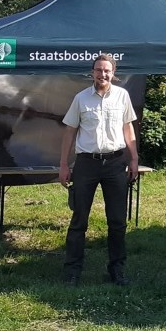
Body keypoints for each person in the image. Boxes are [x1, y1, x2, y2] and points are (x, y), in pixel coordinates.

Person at [58, 54, 139, 286]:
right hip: (86, 164)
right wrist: (64, 164)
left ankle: (117, 270)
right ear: (92, 72)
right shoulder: (81, 99)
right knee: (79, 219)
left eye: (107, 71)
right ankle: (72, 272)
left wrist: (134, 158)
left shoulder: (122, 96)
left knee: (117, 221)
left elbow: (128, 129)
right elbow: (69, 132)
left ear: (113, 73)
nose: (102, 74)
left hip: (115, 164)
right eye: (98, 70)